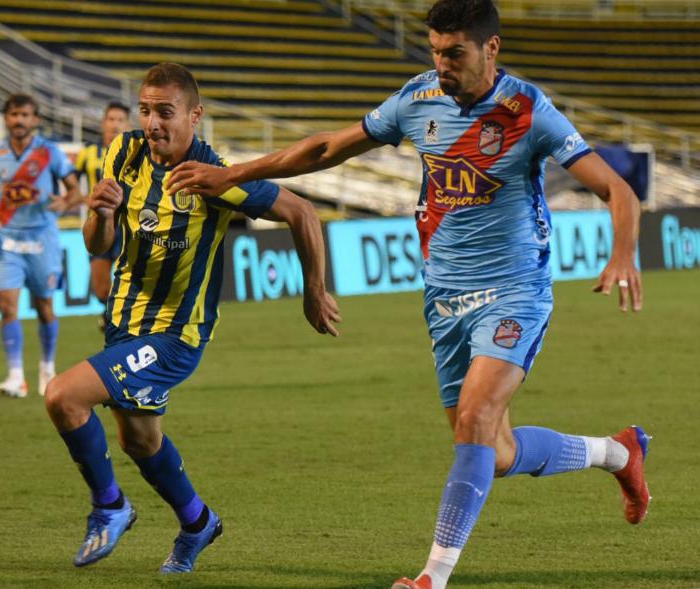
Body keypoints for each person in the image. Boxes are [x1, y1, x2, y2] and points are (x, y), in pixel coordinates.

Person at [165, 1, 649, 587]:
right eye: (436, 51)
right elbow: (327, 148)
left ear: (491, 49)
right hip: (444, 298)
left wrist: (623, 252)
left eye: (455, 53)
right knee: (492, 452)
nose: (442, 64)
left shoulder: (528, 110)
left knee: (475, 418)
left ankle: (431, 577)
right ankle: (618, 453)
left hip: (514, 291)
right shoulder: (418, 99)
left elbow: (617, 189)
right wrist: (234, 172)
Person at [43, 63, 340, 574]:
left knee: (63, 396)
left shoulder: (213, 176)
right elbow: (98, 244)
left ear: (194, 116)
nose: (152, 123)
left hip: (175, 335)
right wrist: (100, 213)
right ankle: (198, 522)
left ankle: (110, 506)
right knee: (139, 440)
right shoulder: (123, 152)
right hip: (123, 323)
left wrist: (313, 290)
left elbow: (302, 212)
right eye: (145, 110)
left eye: (165, 112)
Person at [0, 93, 84, 398]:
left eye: (25, 115)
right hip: (9, 240)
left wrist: (66, 201)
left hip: (43, 239)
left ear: (35, 120)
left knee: (44, 307)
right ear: (6, 119)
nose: (19, 120)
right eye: (14, 114)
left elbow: (74, 190)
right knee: (7, 306)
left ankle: (47, 368)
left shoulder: (49, 153)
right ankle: (16, 377)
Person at [76, 101, 132, 327]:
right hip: (98, 224)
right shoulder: (88, 153)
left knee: (130, 280)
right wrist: (85, 199)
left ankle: (124, 323)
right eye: (111, 119)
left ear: (128, 125)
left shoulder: (136, 152)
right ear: (103, 123)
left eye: (120, 120)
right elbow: (71, 185)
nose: (115, 124)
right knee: (100, 289)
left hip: (129, 225)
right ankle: (112, 315)